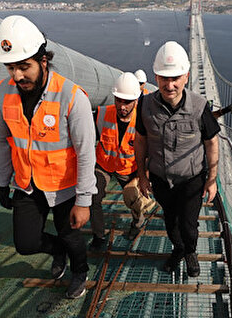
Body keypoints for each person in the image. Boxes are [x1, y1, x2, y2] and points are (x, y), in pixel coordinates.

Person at [0, 15, 96, 299]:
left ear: (43, 60)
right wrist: (4, 182)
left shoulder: (72, 97)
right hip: (27, 183)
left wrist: (84, 200)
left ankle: (80, 271)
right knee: (25, 243)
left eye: (24, 67)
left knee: (72, 237)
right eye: (11, 67)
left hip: (64, 186)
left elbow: (87, 152)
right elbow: (3, 140)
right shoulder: (3, 92)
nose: (17, 76)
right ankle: (56, 250)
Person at [135, 41, 220, 277]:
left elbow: (212, 142)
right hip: (162, 179)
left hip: (191, 179)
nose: (169, 85)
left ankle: (189, 250)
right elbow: (140, 141)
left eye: (175, 78)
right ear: (156, 76)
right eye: (163, 78)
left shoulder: (200, 107)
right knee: (171, 223)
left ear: (186, 77)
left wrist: (211, 180)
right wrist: (142, 177)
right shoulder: (144, 105)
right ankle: (179, 249)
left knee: (188, 226)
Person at [89, 72, 156, 250]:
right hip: (104, 165)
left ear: (136, 100)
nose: (122, 106)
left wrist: (144, 177)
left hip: (130, 169)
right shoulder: (102, 115)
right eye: (118, 100)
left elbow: (152, 153)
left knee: (135, 198)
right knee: (92, 196)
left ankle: (137, 223)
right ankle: (98, 235)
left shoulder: (144, 121)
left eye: (127, 102)